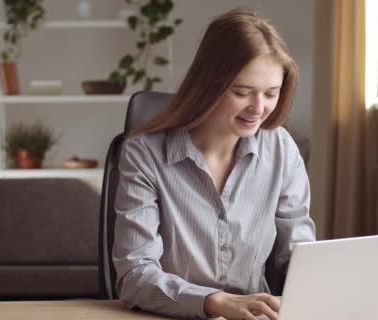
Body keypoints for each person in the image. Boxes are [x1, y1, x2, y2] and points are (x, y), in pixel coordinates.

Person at [113, 9, 316, 320]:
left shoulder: (281, 149)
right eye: (242, 92)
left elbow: (300, 258)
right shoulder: (144, 154)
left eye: (271, 94)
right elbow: (135, 276)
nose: (258, 108)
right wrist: (215, 302)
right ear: (209, 84)